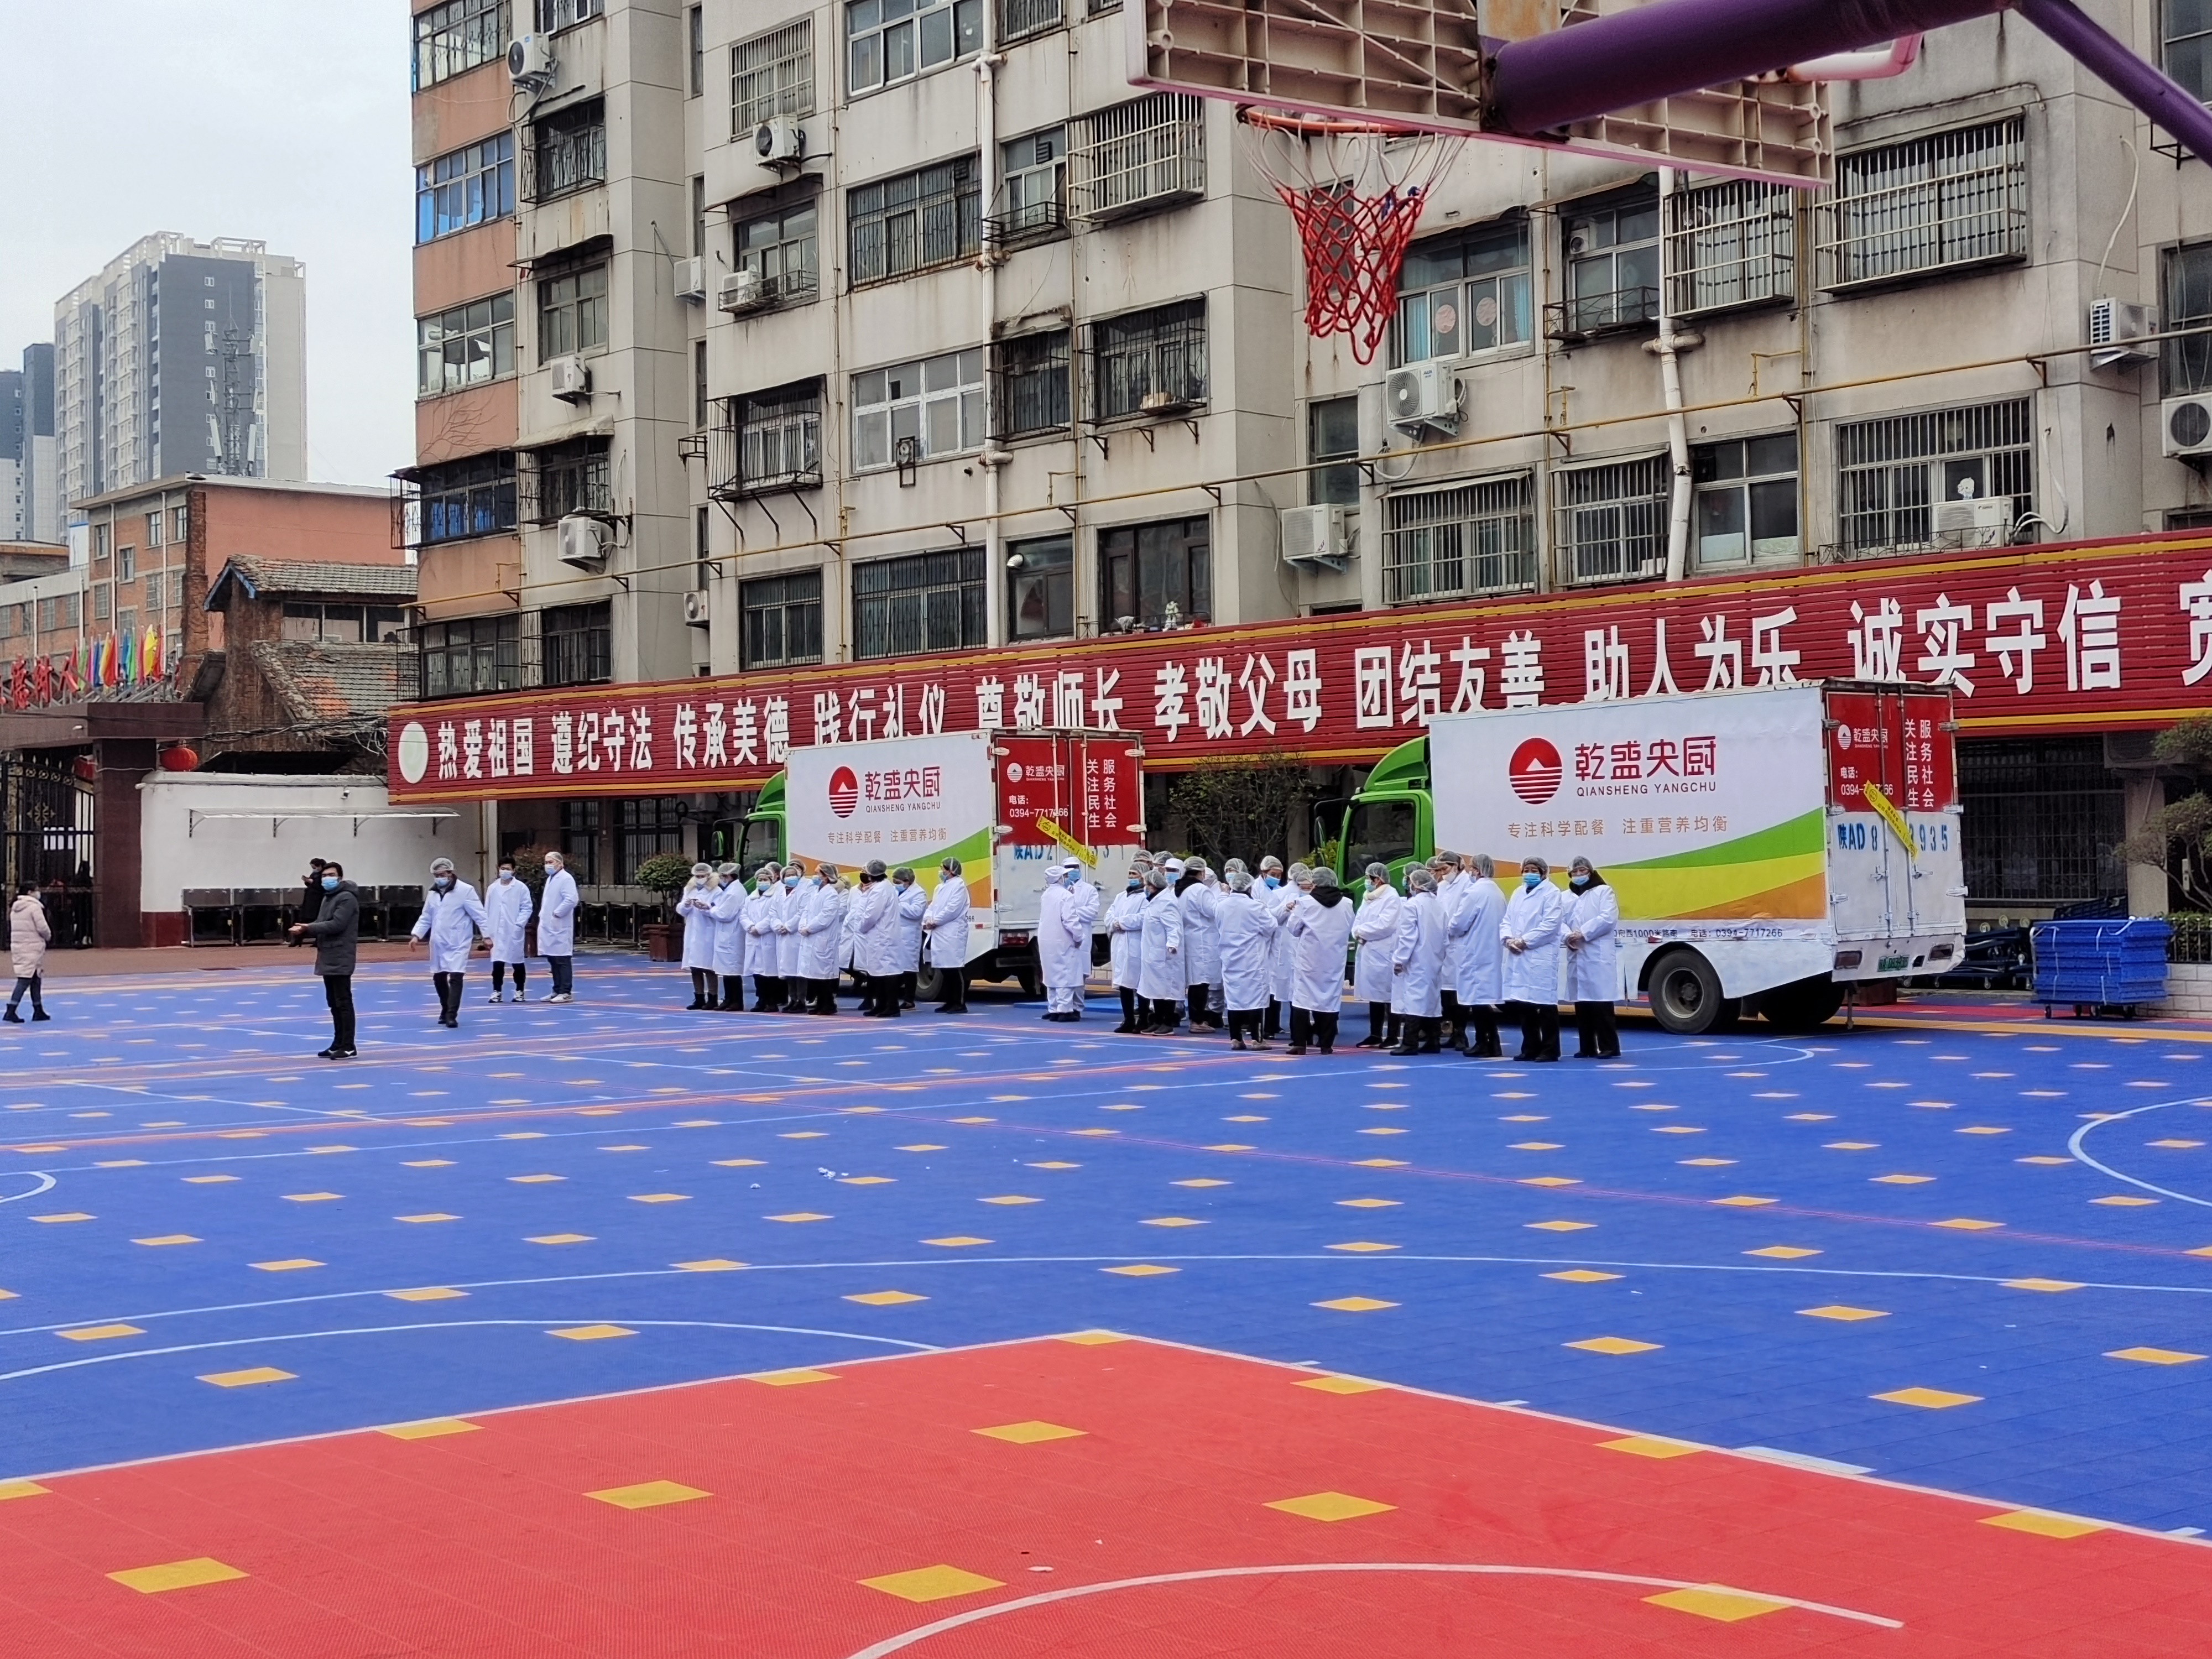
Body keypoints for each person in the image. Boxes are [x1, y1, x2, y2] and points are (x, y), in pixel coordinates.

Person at [287, 860, 358, 1057]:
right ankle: (337, 1043)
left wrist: (308, 928)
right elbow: (321, 922)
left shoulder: (346, 898)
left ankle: (349, 1045)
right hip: (327, 953)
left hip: (341, 954)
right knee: (333, 1002)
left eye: (331, 875)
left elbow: (337, 924)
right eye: (325, 876)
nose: (328, 879)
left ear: (340, 877)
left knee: (343, 1001)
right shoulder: (328, 897)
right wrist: (304, 929)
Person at [1501, 855, 1567, 1062]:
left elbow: (1550, 925)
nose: (1529, 874)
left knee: (1545, 1005)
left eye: (1534, 870)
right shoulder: (1518, 893)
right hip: (1518, 954)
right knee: (1524, 1005)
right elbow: (1507, 920)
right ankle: (1530, 1047)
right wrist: (1508, 939)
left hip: (1540, 955)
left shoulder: (1552, 893)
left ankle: (1550, 1049)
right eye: (1526, 870)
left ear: (1543, 873)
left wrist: (1525, 941)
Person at [409, 856, 487, 1028]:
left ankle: (452, 1015)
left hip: (459, 941)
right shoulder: (433, 893)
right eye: (437, 876)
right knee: (439, 976)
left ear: (451, 874)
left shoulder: (465, 891)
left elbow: (480, 915)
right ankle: (445, 1008)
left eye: (443, 875)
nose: (440, 878)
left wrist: (487, 936)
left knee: (456, 976)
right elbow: (426, 916)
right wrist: (416, 935)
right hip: (438, 941)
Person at [1286, 867, 1355, 1055]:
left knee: (1302, 1000)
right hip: (1334, 959)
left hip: (1310, 959)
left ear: (1314, 883)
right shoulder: (1347, 903)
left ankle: (1300, 1043)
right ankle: (1326, 1044)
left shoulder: (1305, 903)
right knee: (1330, 1000)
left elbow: (1293, 928)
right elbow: (1350, 926)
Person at [1564, 856, 1623, 1058]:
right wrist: (1568, 936)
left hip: (1597, 955)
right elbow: (1558, 921)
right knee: (1582, 1004)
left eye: (1583, 871)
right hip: (1576, 952)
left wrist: (1583, 933)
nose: (1579, 875)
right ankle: (1587, 1047)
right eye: (1575, 872)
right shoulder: (1565, 897)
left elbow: (1608, 918)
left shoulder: (1603, 892)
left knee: (1601, 1004)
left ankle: (1609, 1047)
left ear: (1590, 872)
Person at [1215, 868, 1279, 1050]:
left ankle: (1235, 1038)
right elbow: (1271, 926)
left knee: (1234, 1000)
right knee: (1256, 1000)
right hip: (1252, 959)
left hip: (1230, 958)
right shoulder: (1255, 907)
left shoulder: (1221, 906)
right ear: (1250, 888)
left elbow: (1219, 927)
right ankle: (1257, 1039)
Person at [1390, 865, 1448, 1054]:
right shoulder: (1438, 905)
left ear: (1415, 885)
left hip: (1416, 959)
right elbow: (1445, 936)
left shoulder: (1412, 905)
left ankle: (1410, 1042)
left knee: (1414, 999)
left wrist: (1399, 960)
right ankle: (1433, 1040)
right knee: (1432, 1000)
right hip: (1435, 958)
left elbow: (1408, 937)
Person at [1458, 853, 1507, 1058]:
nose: (1470, 871)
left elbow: (1459, 923)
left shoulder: (1474, 892)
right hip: (1491, 951)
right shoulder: (1497, 892)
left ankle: (1483, 1042)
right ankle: (1492, 1042)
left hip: (1476, 951)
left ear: (1477, 870)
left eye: (1472, 867)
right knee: (1484, 998)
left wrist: (1451, 928)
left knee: (1478, 1000)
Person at [1350, 862, 1404, 1048]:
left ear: (1378, 880)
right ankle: (1375, 1034)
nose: (1367, 881)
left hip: (1384, 951)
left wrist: (1362, 932)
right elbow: (1358, 920)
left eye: (1369, 878)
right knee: (1374, 996)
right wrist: (1357, 932)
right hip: (1368, 950)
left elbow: (1386, 925)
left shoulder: (1391, 897)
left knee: (1389, 995)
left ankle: (1392, 1036)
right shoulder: (1368, 897)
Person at [1038, 857, 1093, 1021]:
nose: (1067, 878)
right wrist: (1079, 936)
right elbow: (1070, 920)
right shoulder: (1065, 895)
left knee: (1051, 976)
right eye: (1065, 875)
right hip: (1064, 941)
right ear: (1060, 878)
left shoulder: (1046, 895)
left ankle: (1054, 1008)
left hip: (1046, 941)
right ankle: (1065, 1009)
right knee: (1065, 975)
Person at [1435, 853, 1476, 1050]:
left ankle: (1461, 1033)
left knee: (1459, 993)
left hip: (1459, 944)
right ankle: (1452, 1032)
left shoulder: (1468, 885)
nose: (1443, 873)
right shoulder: (1442, 887)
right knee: (1446, 993)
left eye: (1445, 869)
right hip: (1443, 945)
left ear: (1457, 866)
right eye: (1440, 870)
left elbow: (1463, 916)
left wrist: (1449, 929)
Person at [1137, 863, 1185, 1032]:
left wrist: (1172, 944)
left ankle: (1168, 1023)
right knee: (1155, 990)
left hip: (1166, 956)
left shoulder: (1167, 903)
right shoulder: (1155, 902)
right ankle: (1158, 1020)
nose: (1145, 888)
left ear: (1153, 886)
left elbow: (1174, 927)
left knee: (1167, 991)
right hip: (1153, 954)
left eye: (1146, 885)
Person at [921, 855, 972, 1012]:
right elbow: (933, 906)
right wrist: (928, 919)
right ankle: (950, 1002)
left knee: (953, 969)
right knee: (944, 969)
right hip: (940, 932)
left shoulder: (959, 886)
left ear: (951, 871)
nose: (940, 872)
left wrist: (935, 921)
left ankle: (959, 1003)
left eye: (943, 869)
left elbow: (952, 909)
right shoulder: (940, 887)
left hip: (952, 932)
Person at [1104, 862, 1150, 1032]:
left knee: (1140, 984)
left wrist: (1121, 922)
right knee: (1124, 985)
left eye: (1135, 874)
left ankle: (1143, 1019)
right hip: (1120, 944)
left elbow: (1143, 918)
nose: (1131, 877)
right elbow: (1109, 915)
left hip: (1136, 944)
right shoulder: (1121, 896)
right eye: (1130, 873)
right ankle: (1128, 1020)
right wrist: (1115, 923)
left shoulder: (1146, 897)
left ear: (1143, 877)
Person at [1178, 857, 1221, 1031]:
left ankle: (1195, 1019)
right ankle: (1198, 1021)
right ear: (1202, 872)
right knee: (1201, 982)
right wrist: (1224, 896)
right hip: (1203, 940)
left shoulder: (1180, 890)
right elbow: (1215, 911)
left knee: (1195, 981)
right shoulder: (1200, 890)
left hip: (1190, 938)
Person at [798, 862, 847, 1014]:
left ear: (826, 877)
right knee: (814, 975)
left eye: (817, 873)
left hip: (823, 939)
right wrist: (803, 925)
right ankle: (820, 1004)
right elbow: (806, 911)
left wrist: (810, 928)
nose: (815, 876)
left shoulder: (831, 895)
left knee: (824, 975)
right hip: (811, 938)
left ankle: (828, 1005)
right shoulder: (815, 892)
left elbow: (826, 916)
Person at [484, 856, 533, 1003]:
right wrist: (486, 931)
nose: (505, 871)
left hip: (513, 930)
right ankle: (497, 991)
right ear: (498, 869)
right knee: (497, 963)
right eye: (503, 868)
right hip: (496, 931)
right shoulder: (493, 888)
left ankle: (520, 991)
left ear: (514, 870)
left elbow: (527, 908)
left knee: (517, 962)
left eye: (508, 869)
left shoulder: (521, 888)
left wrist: (519, 925)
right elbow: (487, 910)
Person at [853, 860, 898, 1016]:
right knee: (877, 972)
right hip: (878, 936)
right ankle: (881, 1005)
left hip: (881, 936)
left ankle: (892, 1007)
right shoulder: (881, 887)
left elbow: (871, 915)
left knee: (886, 972)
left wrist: (861, 927)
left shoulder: (880, 890)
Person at [4, 885, 51, 1024]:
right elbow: (42, 927)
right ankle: (11, 1010)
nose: (39, 893)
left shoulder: (15, 907)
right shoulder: (34, 907)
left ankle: (38, 1009)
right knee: (25, 979)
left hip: (20, 945)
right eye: (36, 890)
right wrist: (48, 936)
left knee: (35, 977)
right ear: (30, 892)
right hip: (32, 945)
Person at [676, 863, 720, 1009]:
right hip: (692, 932)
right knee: (695, 967)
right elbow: (681, 911)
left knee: (709, 967)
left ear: (708, 876)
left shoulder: (716, 891)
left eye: (702, 876)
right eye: (697, 876)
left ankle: (713, 998)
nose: (700, 879)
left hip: (708, 931)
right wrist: (686, 905)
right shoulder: (689, 889)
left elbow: (719, 911)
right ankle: (699, 997)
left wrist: (706, 907)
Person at [539, 849, 579, 1002]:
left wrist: (557, 913)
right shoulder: (551, 879)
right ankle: (556, 990)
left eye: (551, 862)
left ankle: (566, 991)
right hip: (549, 926)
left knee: (562, 959)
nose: (548, 865)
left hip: (560, 925)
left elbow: (571, 899)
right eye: (546, 862)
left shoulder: (566, 878)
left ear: (560, 864)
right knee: (553, 959)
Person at [744, 862, 785, 1010]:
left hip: (769, 937)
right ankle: (761, 1000)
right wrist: (750, 927)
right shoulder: (751, 898)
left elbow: (773, 916)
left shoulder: (777, 896)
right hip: (753, 938)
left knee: (771, 972)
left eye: (765, 879)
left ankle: (772, 1001)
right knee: (757, 973)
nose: (762, 882)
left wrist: (759, 928)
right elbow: (743, 915)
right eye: (760, 880)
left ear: (772, 880)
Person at [1256, 856, 1289, 1036]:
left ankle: (1273, 1024)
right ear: (1264, 872)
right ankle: (1262, 1026)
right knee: (1265, 985)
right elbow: (1261, 914)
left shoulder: (1279, 891)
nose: (1276, 878)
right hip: (1260, 939)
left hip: (1277, 940)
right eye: (1272, 874)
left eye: (1278, 875)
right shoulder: (1255, 889)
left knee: (1276, 983)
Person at [711, 862, 749, 1010]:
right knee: (727, 971)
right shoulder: (730, 890)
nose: (721, 879)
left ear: (729, 876)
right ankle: (728, 999)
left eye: (723, 877)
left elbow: (724, 914)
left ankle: (736, 1001)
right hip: (727, 935)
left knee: (732, 971)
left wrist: (712, 909)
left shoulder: (735, 892)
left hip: (732, 935)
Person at [893, 867, 927, 1009]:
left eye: (898, 882)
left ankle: (909, 1000)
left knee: (909, 968)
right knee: (895, 967)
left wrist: (899, 905)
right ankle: (893, 998)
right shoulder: (895, 892)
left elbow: (917, 912)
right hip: (896, 933)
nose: (896, 885)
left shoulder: (919, 893)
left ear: (907, 881)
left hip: (910, 935)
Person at [774, 864, 807, 1010]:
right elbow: (773, 912)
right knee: (788, 971)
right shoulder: (779, 893)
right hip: (783, 936)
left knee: (799, 971)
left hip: (796, 935)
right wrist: (778, 926)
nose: (791, 877)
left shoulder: (803, 893)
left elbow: (803, 912)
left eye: (794, 874)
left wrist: (788, 926)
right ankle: (792, 1000)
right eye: (788, 875)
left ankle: (801, 1001)